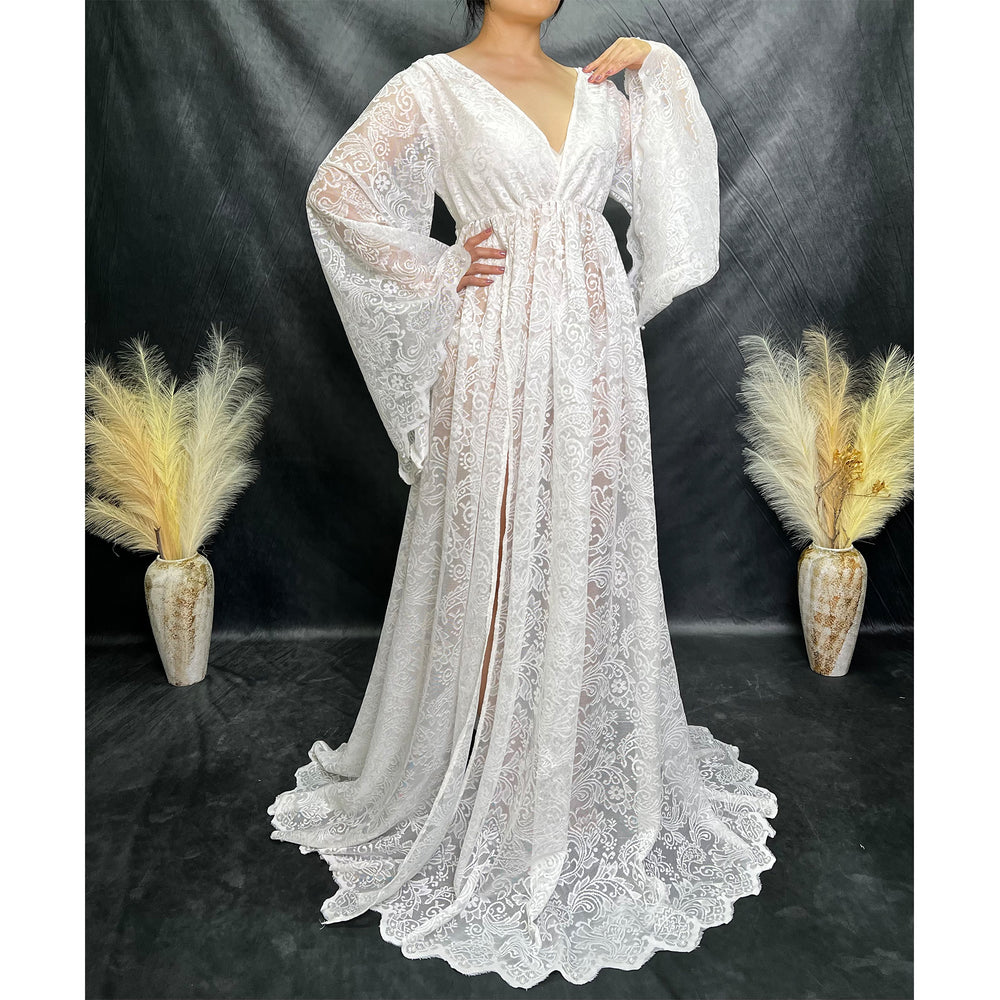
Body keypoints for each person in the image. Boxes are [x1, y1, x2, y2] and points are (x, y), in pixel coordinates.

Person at [268, 0, 778, 988]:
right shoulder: (433, 88)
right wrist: (440, 263)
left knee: (588, 538)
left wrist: (658, 71)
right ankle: (488, 773)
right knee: (496, 538)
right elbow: (339, 194)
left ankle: (570, 768)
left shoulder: (595, 93)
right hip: (494, 346)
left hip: (594, 348)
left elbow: (673, 200)